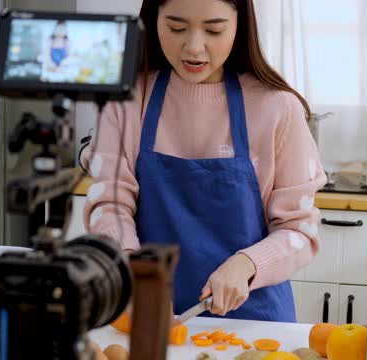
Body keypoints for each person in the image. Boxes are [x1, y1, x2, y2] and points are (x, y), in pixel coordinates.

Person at [82, 0, 326, 323]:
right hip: (146, 318)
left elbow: (300, 230)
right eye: (176, 27)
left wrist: (248, 264)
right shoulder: (126, 102)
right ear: (154, 19)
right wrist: (132, 270)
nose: (194, 47)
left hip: (257, 326)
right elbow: (110, 204)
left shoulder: (278, 108)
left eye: (214, 29)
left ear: (240, 24)